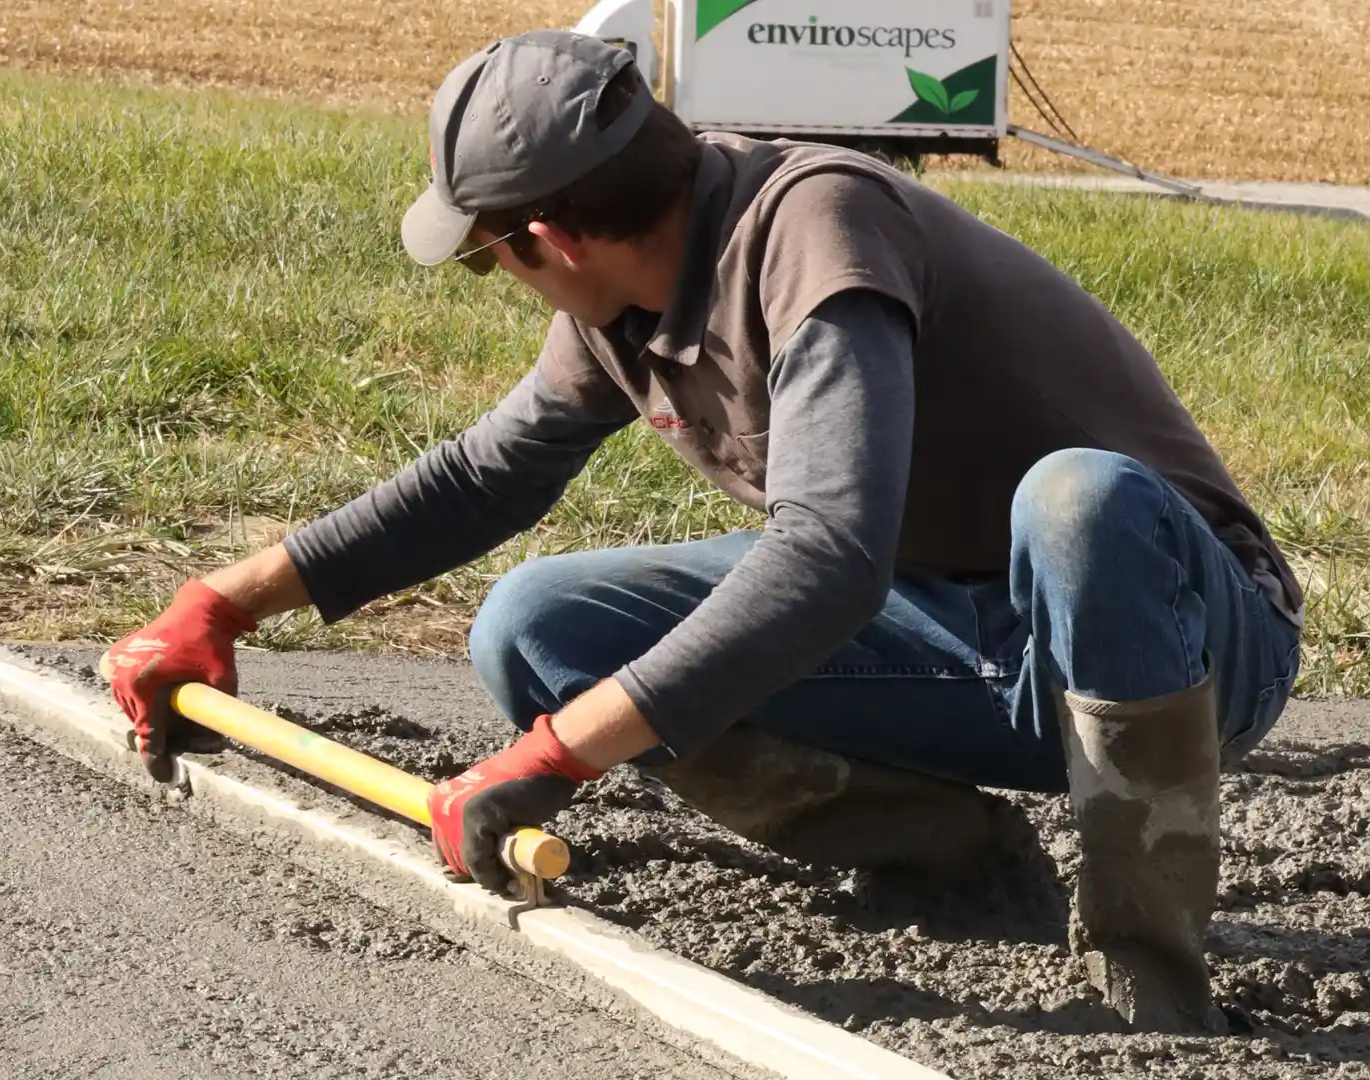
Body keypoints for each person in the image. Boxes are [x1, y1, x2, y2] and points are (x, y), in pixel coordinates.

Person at [97, 28, 1303, 1033]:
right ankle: (951, 853)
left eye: (485, 261)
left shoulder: (817, 231)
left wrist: (558, 755)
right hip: (956, 626)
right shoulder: (625, 299)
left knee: (1077, 498)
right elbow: (486, 475)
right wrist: (223, 603)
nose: (502, 280)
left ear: (551, 239)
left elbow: (828, 557)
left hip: (1181, 641)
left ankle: (1149, 981)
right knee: (539, 627)